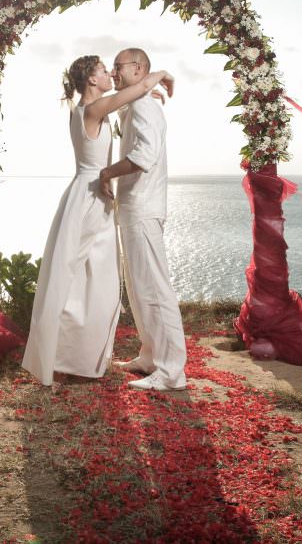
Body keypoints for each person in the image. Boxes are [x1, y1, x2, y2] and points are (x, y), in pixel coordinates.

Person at [22, 55, 174, 386]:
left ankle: (73, 359)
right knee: (87, 281)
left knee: (88, 281)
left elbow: (131, 99)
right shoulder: (93, 110)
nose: (110, 74)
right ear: (92, 80)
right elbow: (141, 84)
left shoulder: (92, 109)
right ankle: (70, 361)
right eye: (104, 71)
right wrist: (159, 76)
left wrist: (147, 96)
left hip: (91, 195)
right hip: (91, 196)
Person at [99, 48, 188, 392]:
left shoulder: (144, 106)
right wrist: (153, 78)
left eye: (118, 66)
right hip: (133, 206)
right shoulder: (135, 101)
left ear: (137, 68)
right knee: (138, 287)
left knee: (154, 288)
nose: (113, 71)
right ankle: (150, 355)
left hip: (144, 206)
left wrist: (107, 171)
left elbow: (143, 156)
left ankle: (171, 371)